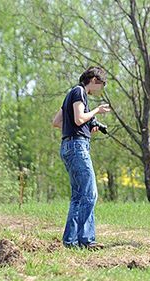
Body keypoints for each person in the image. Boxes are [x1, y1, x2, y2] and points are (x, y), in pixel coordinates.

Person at [52, 66, 111, 249]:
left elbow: (57, 122)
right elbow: (78, 119)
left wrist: (85, 129)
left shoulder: (70, 93)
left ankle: (71, 241)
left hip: (69, 145)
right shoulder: (79, 92)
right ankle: (85, 240)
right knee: (90, 194)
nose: (100, 90)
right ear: (94, 80)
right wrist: (95, 111)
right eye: (100, 85)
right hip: (77, 147)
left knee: (79, 196)